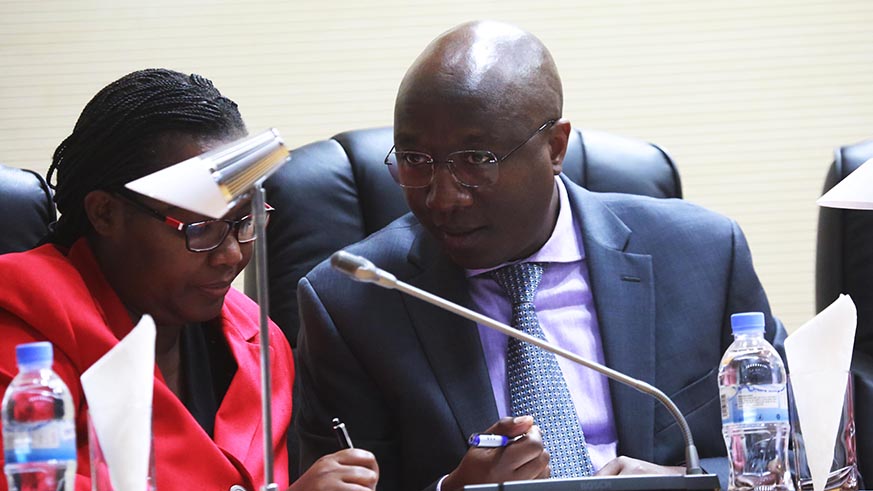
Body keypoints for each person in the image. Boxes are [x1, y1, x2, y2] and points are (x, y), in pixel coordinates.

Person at [295, 21, 787, 491]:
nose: (443, 198)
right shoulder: (353, 300)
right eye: (415, 160)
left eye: (477, 160)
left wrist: (685, 482)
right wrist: (456, 490)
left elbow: (798, 446)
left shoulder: (702, 253)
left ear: (555, 147)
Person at [0, 69, 379, 491]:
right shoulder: (24, 328)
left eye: (245, 221)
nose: (232, 255)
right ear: (105, 213)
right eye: (198, 228)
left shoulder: (259, 341)